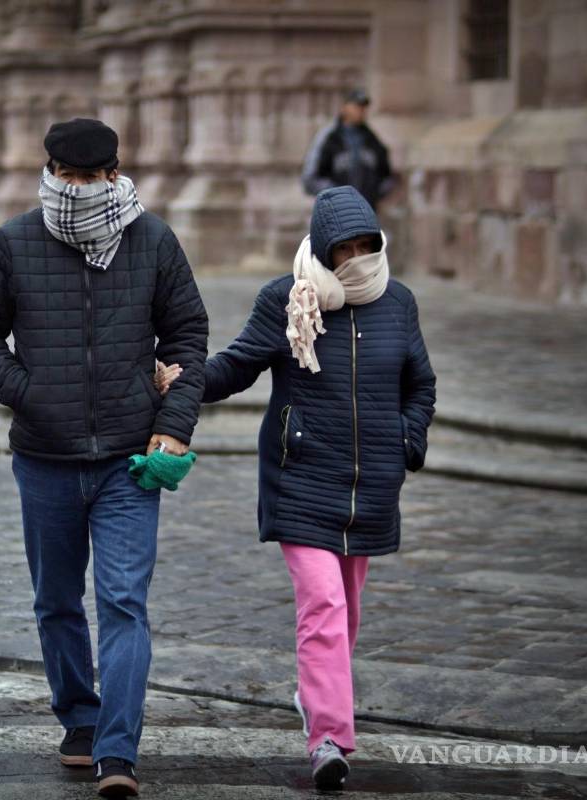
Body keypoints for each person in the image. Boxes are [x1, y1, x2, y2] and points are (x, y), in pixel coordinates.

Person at [0, 118, 209, 798]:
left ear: (113, 174)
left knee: (124, 602)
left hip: (129, 459)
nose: (79, 189)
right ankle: (79, 717)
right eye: (66, 176)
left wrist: (174, 421)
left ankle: (117, 751)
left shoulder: (153, 241)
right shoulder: (13, 242)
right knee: (56, 601)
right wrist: (26, 392)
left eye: (91, 178)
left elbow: (188, 334)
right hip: (44, 457)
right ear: (51, 173)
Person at [156, 185, 436, 791]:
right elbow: (238, 365)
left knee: (346, 612)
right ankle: (329, 738)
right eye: (347, 248)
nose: (359, 257)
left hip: (371, 487)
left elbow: (421, 384)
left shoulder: (399, 303)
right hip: (301, 480)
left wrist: (407, 440)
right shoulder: (288, 300)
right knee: (324, 607)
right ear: (326, 249)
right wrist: (184, 382)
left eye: (368, 245)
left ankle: (315, 693)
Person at [301, 89, 395, 210]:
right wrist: (336, 196)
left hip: (366, 212)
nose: (361, 110)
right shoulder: (328, 137)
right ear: (344, 107)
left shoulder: (372, 140)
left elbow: (386, 177)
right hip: (336, 213)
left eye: (363, 107)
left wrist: (373, 195)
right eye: (356, 105)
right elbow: (310, 178)